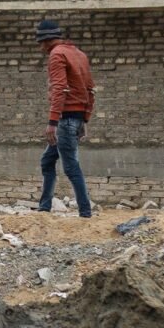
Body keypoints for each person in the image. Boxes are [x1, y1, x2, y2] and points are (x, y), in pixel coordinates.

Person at [35, 20, 95, 218]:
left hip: (64, 119)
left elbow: (59, 88)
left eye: (41, 43)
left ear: (46, 41)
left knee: (71, 167)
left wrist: (52, 122)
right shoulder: (79, 54)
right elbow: (89, 89)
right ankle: (44, 208)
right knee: (47, 161)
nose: (41, 48)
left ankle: (85, 212)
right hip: (76, 117)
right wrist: (85, 119)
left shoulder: (57, 54)